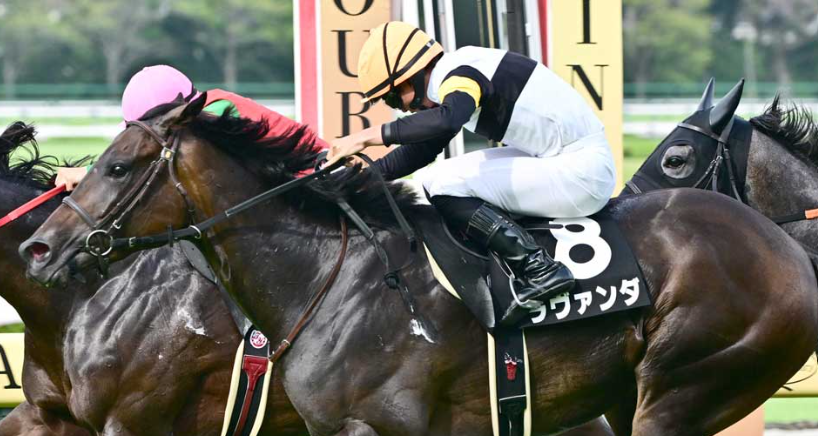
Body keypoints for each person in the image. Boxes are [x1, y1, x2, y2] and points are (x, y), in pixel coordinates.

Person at [326, 21, 617, 325]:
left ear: (410, 77)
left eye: (393, 98)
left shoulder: (460, 74)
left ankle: (539, 268)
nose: (401, 108)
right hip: (564, 159)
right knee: (431, 179)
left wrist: (366, 136)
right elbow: (421, 149)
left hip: (583, 172)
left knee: (444, 183)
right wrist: (359, 178)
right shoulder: (456, 77)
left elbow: (448, 120)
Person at [56, 65, 326, 190]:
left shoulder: (215, 113)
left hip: (324, 184)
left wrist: (89, 172)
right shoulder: (211, 105)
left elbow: (143, 160)